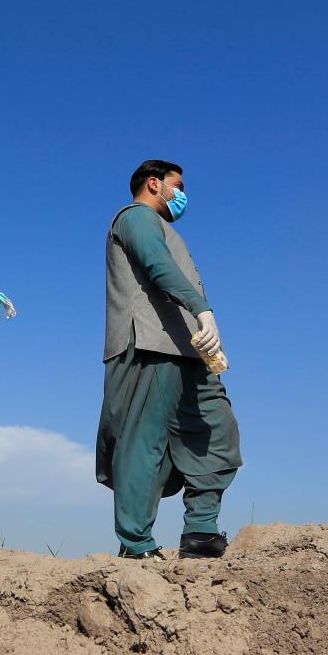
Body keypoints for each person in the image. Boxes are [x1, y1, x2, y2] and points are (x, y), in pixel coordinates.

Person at [95, 160, 242, 560]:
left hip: (189, 350)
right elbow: (157, 267)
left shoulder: (167, 228)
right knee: (144, 446)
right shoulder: (136, 217)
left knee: (217, 431)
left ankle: (201, 531)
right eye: (178, 185)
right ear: (154, 184)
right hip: (148, 345)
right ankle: (137, 544)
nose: (183, 194)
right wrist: (202, 308)